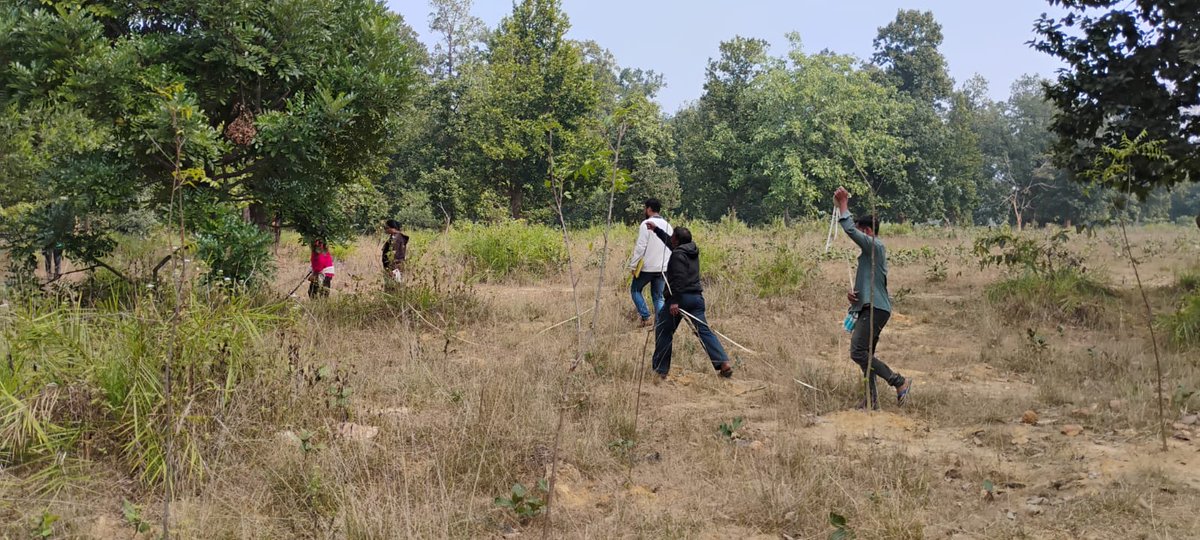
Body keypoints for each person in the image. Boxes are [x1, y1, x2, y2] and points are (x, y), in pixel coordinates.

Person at [834, 187, 912, 409]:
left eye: (860, 233)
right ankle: (871, 401)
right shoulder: (870, 253)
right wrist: (854, 297)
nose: (857, 238)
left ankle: (899, 381)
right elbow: (871, 283)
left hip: (876, 309)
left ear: (867, 231)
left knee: (858, 352)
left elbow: (849, 229)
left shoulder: (874, 244)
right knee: (866, 356)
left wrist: (843, 205)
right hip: (872, 306)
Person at [645, 221, 733, 380]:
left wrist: (674, 302)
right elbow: (670, 243)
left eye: (673, 237)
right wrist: (657, 230)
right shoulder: (690, 250)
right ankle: (723, 362)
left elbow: (679, 280)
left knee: (663, 330)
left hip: (681, 298)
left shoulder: (678, 255)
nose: (670, 239)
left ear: (677, 241)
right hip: (696, 299)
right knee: (704, 331)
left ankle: (660, 370)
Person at [627, 199, 673, 327]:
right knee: (658, 297)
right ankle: (661, 322)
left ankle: (646, 316)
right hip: (663, 267)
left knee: (635, 290)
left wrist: (633, 265)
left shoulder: (646, 224)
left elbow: (641, 246)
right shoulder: (668, 225)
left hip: (647, 267)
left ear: (648, 209)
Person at [381, 219, 409, 284]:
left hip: (394, 268)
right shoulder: (395, 237)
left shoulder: (396, 238)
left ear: (393, 228)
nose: (385, 230)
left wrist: (392, 269)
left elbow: (394, 255)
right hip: (394, 268)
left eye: (386, 228)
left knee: (394, 288)